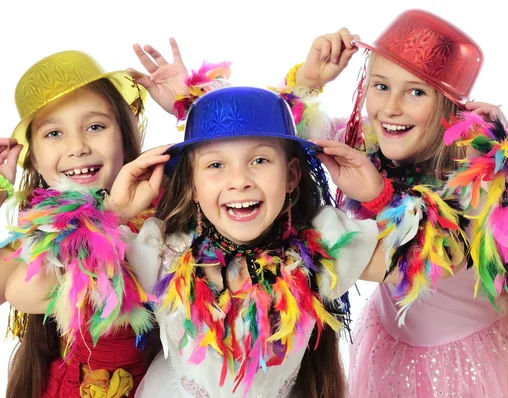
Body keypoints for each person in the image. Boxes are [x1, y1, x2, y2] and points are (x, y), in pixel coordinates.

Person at [277, 8, 508, 397]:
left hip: (465, 366)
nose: (390, 108)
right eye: (381, 85)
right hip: (390, 346)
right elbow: (273, 153)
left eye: (416, 91)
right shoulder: (367, 144)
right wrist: (307, 82)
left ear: (449, 107)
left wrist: (505, 177)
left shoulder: (476, 177)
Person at [112, 85, 379, 397]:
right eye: (215, 165)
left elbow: (413, 259)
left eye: (260, 160)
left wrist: (375, 196)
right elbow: (72, 270)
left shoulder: (321, 249)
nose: (239, 181)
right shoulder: (163, 252)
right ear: (194, 185)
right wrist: (114, 212)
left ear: (291, 176)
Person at [0, 42, 186, 397]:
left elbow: (241, 179)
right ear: (33, 159)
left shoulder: (172, 205)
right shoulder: (42, 240)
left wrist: (191, 106)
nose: (77, 146)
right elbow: (12, 293)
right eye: (53, 133)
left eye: (95, 126)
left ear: (125, 133)